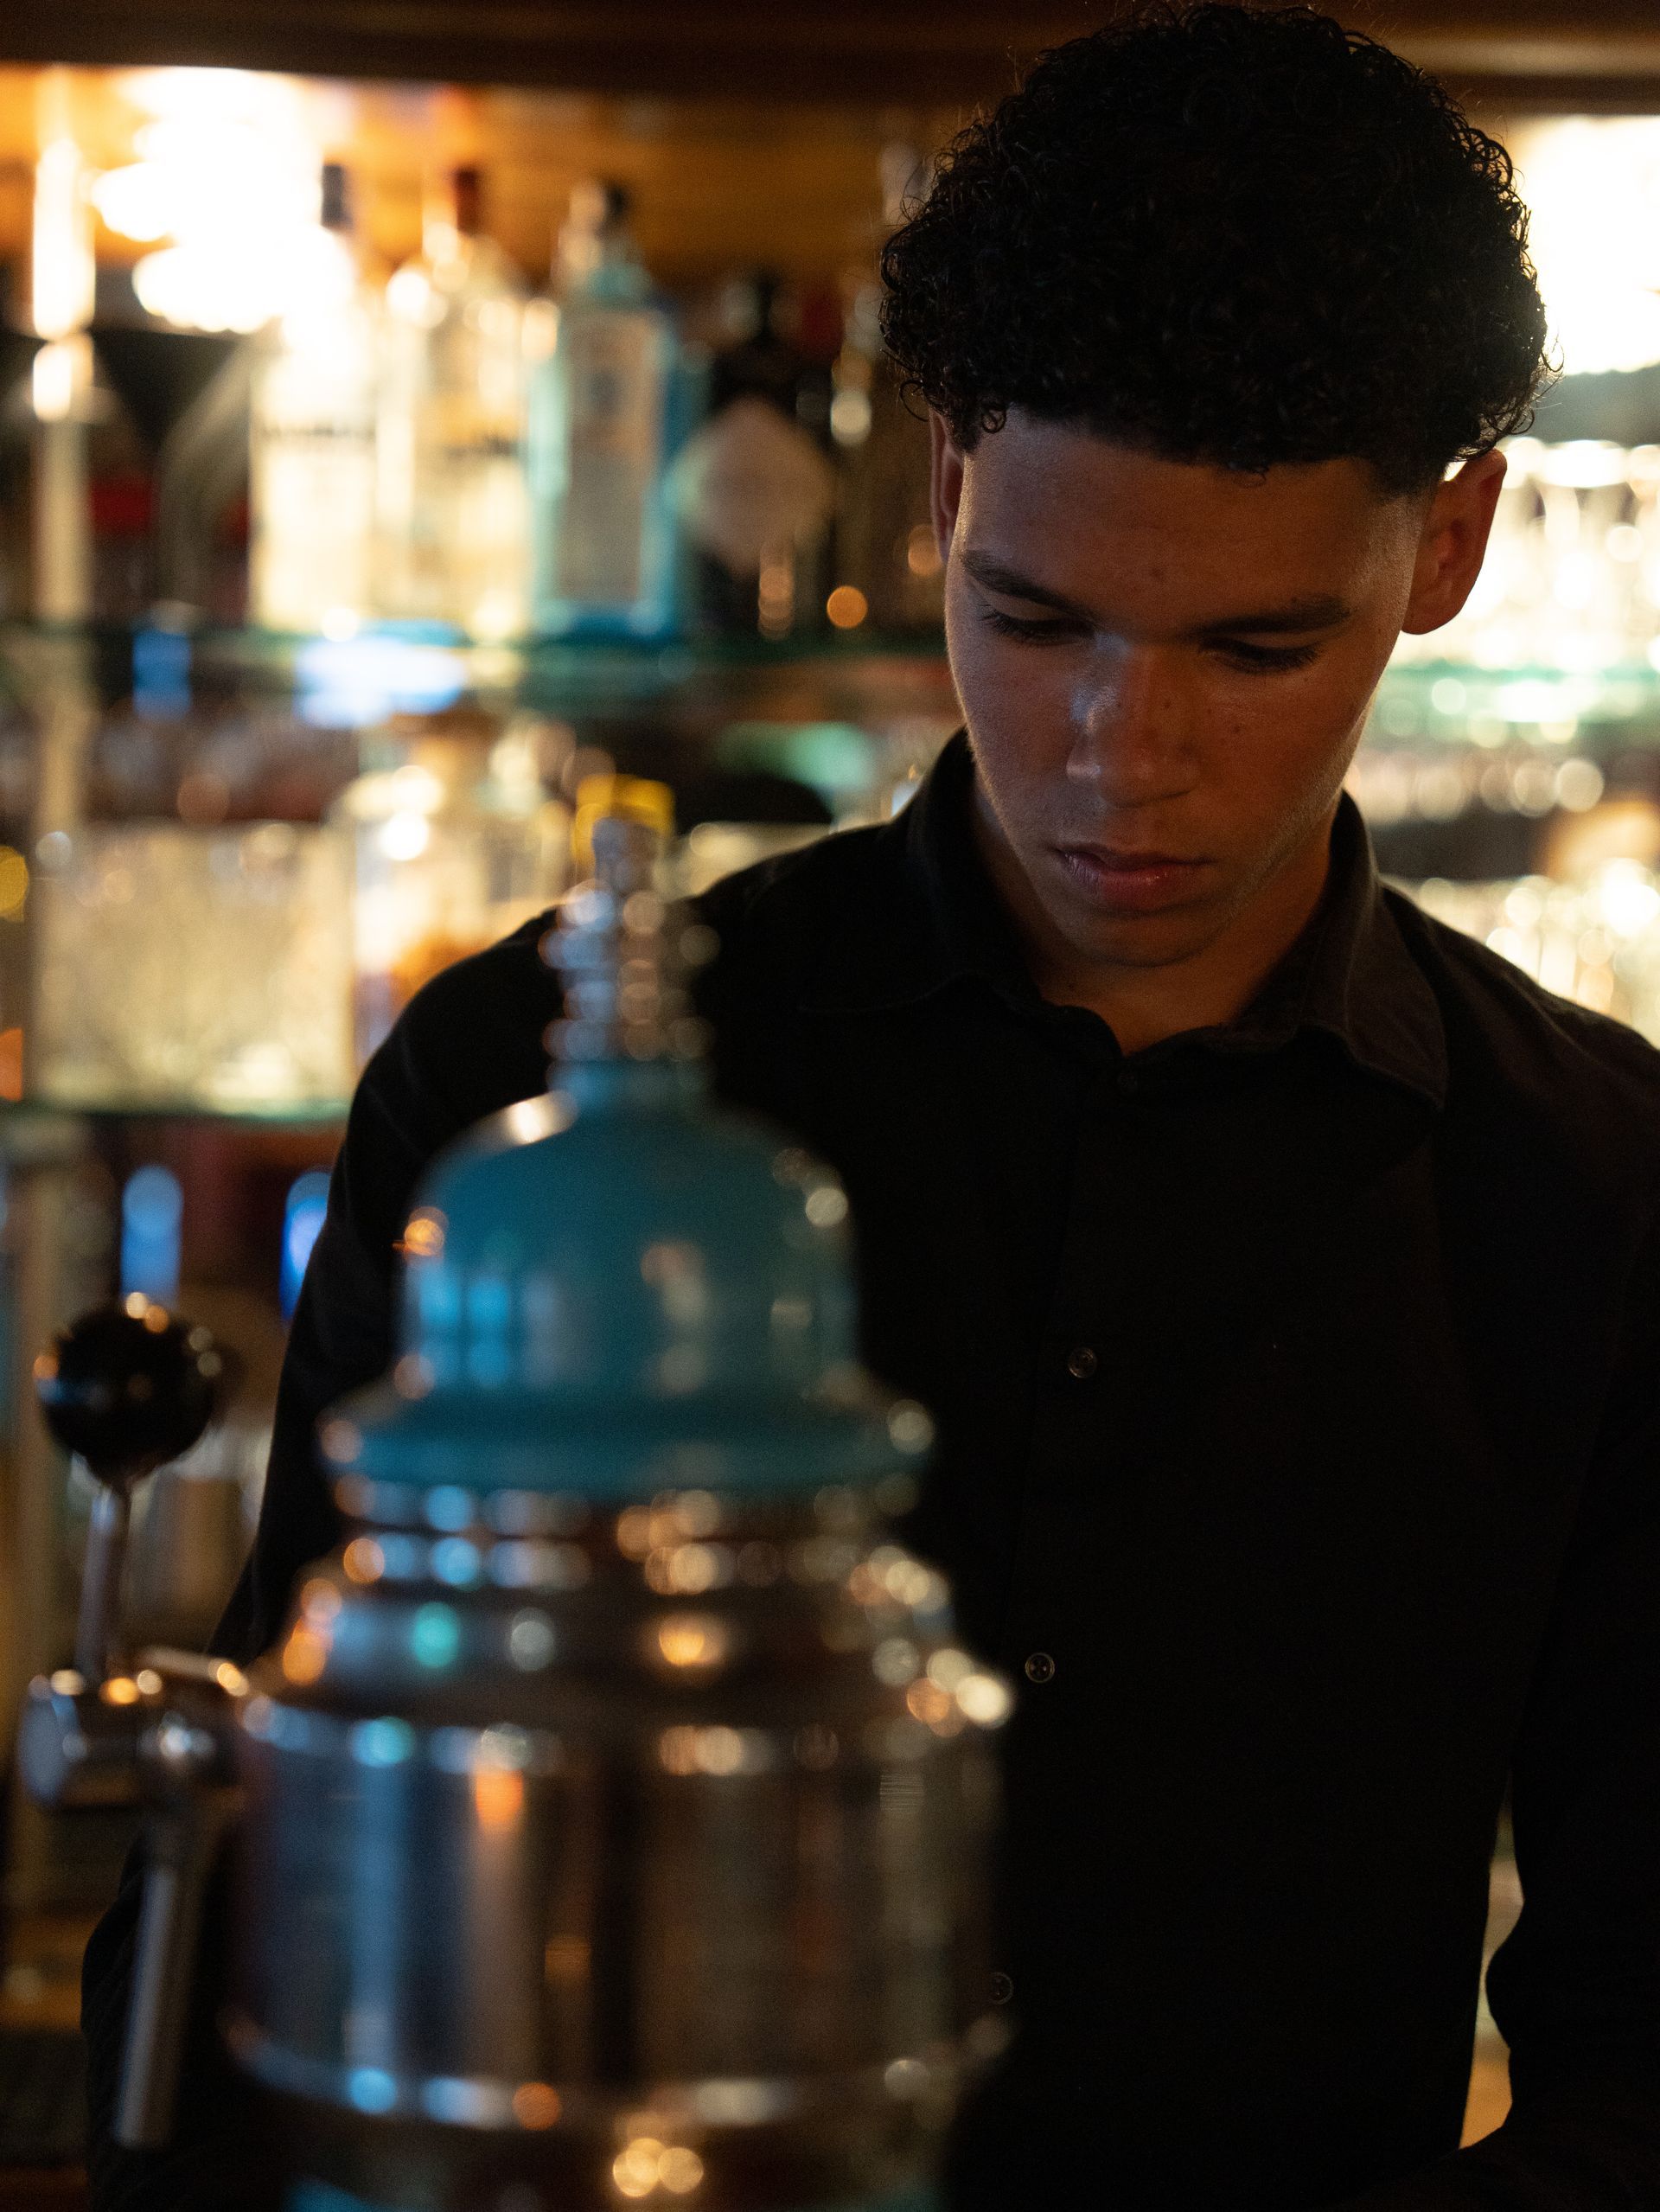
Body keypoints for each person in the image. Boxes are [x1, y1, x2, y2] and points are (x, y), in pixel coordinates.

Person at [83, 4, 1660, 2208]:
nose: (1123, 749)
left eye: (1255, 651)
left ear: (1456, 543)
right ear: (939, 495)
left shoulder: (1594, 1181)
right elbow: (285, 1881)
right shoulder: (524, 1085)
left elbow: (1653, 2040)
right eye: (1036, 618)